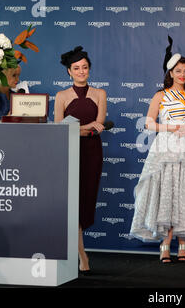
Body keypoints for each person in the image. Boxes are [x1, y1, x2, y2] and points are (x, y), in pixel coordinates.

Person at [130, 54, 185, 263]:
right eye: (178, 71)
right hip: (165, 146)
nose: (182, 75)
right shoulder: (161, 95)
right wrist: (170, 127)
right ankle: (165, 242)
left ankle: (183, 241)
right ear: (170, 73)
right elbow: (148, 123)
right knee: (166, 190)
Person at [54, 46, 107, 272]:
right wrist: (83, 128)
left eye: (84, 67)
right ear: (69, 71)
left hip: (92, 153)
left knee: (85, 201)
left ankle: (78, 252)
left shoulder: (100, 94)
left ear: (89, 69)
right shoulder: (61, 96)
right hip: (68, 153)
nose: (81, 71)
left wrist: (76, 127)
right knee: (71, 203)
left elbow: (99, 127)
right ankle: (81, 255)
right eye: (76, 68)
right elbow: (59, 128)